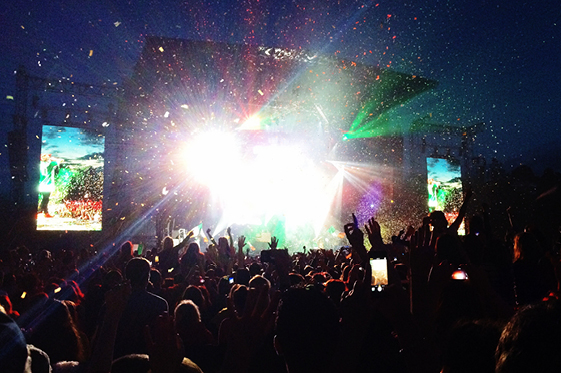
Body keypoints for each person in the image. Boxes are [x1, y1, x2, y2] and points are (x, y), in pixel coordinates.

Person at [113, 258, 169, 359]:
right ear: (148, 277)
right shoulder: (159, 304)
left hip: (117, 359)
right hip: (149, 360)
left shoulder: (113, 303)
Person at [38, 153, 62, 218]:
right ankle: (40, 211)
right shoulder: (51, 164)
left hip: (40, 184)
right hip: (48, 185)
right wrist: (54, 159)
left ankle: (45, 212)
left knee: (45, 199)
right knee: (46, 199)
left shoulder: (40, 164)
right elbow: (60, 160)